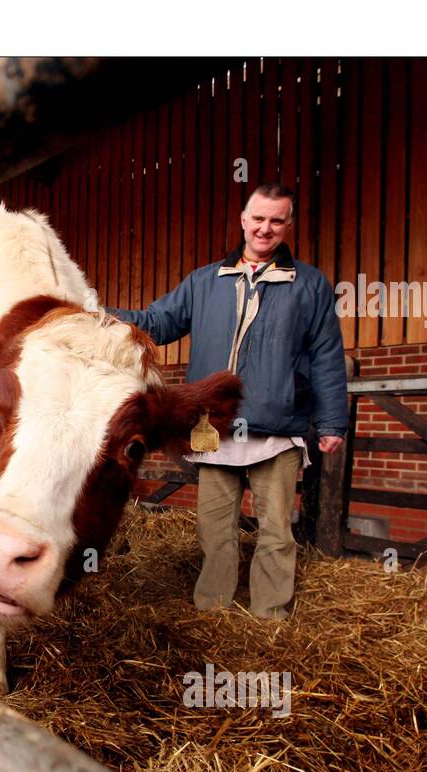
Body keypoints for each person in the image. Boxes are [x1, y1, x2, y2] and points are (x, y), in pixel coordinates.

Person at [106, 183, 347, 619]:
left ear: (288, 225)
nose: (265, 228)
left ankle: (269, 615)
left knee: (277, 530)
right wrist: (102, 315)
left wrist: (332, 423)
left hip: (276, 429)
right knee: (214, 529)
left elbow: (326, 355)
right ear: (243, 220)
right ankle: (212, 612)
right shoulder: (204, 281)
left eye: (276, 220)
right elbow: (159, 322)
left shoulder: (309, 285)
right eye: (258, 218)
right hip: (214, 428)